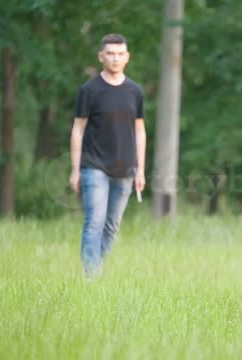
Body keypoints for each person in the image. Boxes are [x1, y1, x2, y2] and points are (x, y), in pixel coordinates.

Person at [69, 33, 146, 280]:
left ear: (127, 57)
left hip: (125, 168)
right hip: (94, 165)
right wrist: (75, 169)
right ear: (101, 56)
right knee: (95, 221)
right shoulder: (89, 90)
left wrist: (140, 169)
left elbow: (140, 130)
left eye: (120, 54)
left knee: (111, 226)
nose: (115, 58)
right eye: (110, 53)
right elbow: (78, 128)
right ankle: (91, 277)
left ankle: (95, 265)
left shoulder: (135, 91)